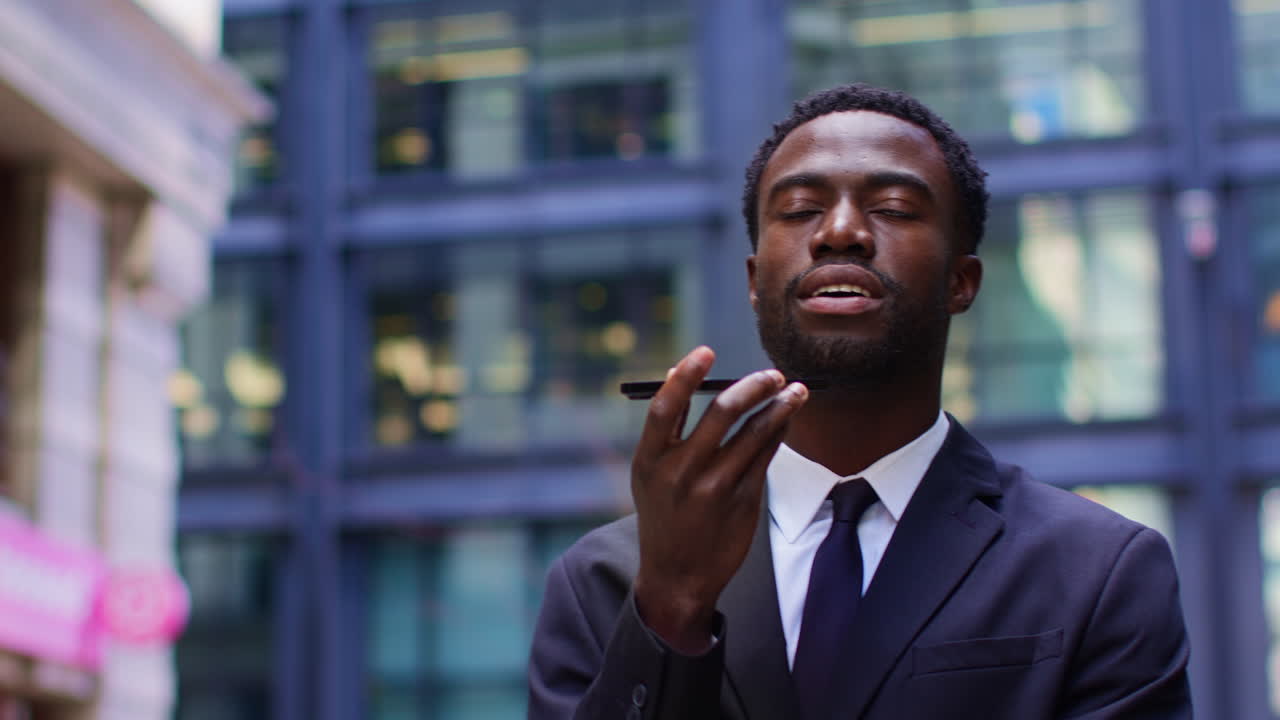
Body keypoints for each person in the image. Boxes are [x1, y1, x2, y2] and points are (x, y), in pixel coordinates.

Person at [527, 83, 1192, 720]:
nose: (840, 231)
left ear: (961, 282)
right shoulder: (605, 579)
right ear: (756, 284)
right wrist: (671, 603)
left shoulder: (1099, 570)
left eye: (895, 209)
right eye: (798, 211)